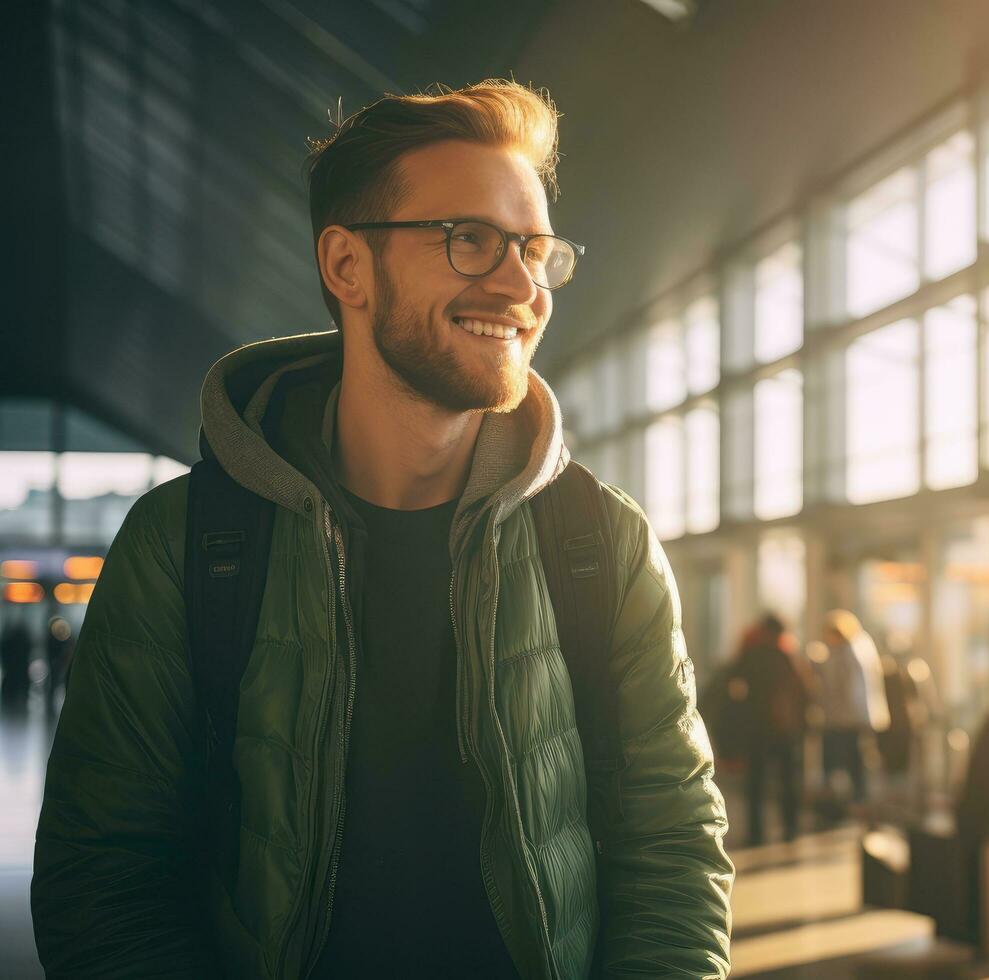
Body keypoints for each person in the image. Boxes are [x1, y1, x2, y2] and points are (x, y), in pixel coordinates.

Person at [32, 80, 734, 979]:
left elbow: (675, 855)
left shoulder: (601, 544)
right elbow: (105, 877)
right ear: (347, 266)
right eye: (470, 241)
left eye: (534, 248)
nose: (521, 285)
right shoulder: (188, 546)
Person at [729, 613, 814, 844]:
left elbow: (734, 689)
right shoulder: (788, 656)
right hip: (785, 730)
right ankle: (791, 829)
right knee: (789, 781)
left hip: (757, 729)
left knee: (756, 783)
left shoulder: (749, 655)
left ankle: (756, 832)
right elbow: (806, 692)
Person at [815, 610, 890, 806]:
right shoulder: (862, 648)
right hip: (857, 717)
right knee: (857, 765)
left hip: (846, 718)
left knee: (845, 764)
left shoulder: (847, 653)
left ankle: (848, 805)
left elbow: (843, 689)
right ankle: (857, 803)